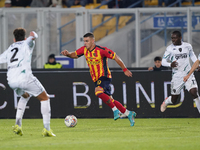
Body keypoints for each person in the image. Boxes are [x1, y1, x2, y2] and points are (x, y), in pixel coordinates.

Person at [61, 32, 136, 126]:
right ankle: (129, 113)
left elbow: (116, 57)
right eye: (84, 41)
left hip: (104, 76)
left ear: (93, 41)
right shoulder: (84, 50)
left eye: (87, 41)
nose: (85, 43)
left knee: (98, 92)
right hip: (96, 79)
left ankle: (115, 111)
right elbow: (75, 55)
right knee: (110, 99)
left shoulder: (102, 50)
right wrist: (68, 54)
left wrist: (124, 69)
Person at [0, 28, 55, 137]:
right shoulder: (27, 43)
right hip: (25, 78)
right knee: (45, 98)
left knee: (25, 96)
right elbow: (33, 37)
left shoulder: (11, 48)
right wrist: (32, 36)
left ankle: (17, 124)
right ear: (24, 37)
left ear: (14, 39)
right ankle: (47, 129)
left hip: (11, 80)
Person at [160, 31, 200, 114]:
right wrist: (170, 64)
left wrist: (197, 64)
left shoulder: (187, 46)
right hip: (177, 76)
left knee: (194, 93)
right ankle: (166, 102)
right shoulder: (170, 49)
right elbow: (163, 62)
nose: (173, 40)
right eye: (172, 38)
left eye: (175, 38)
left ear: (180, 38)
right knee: (174, 100)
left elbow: (192, 55)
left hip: (188, 74)